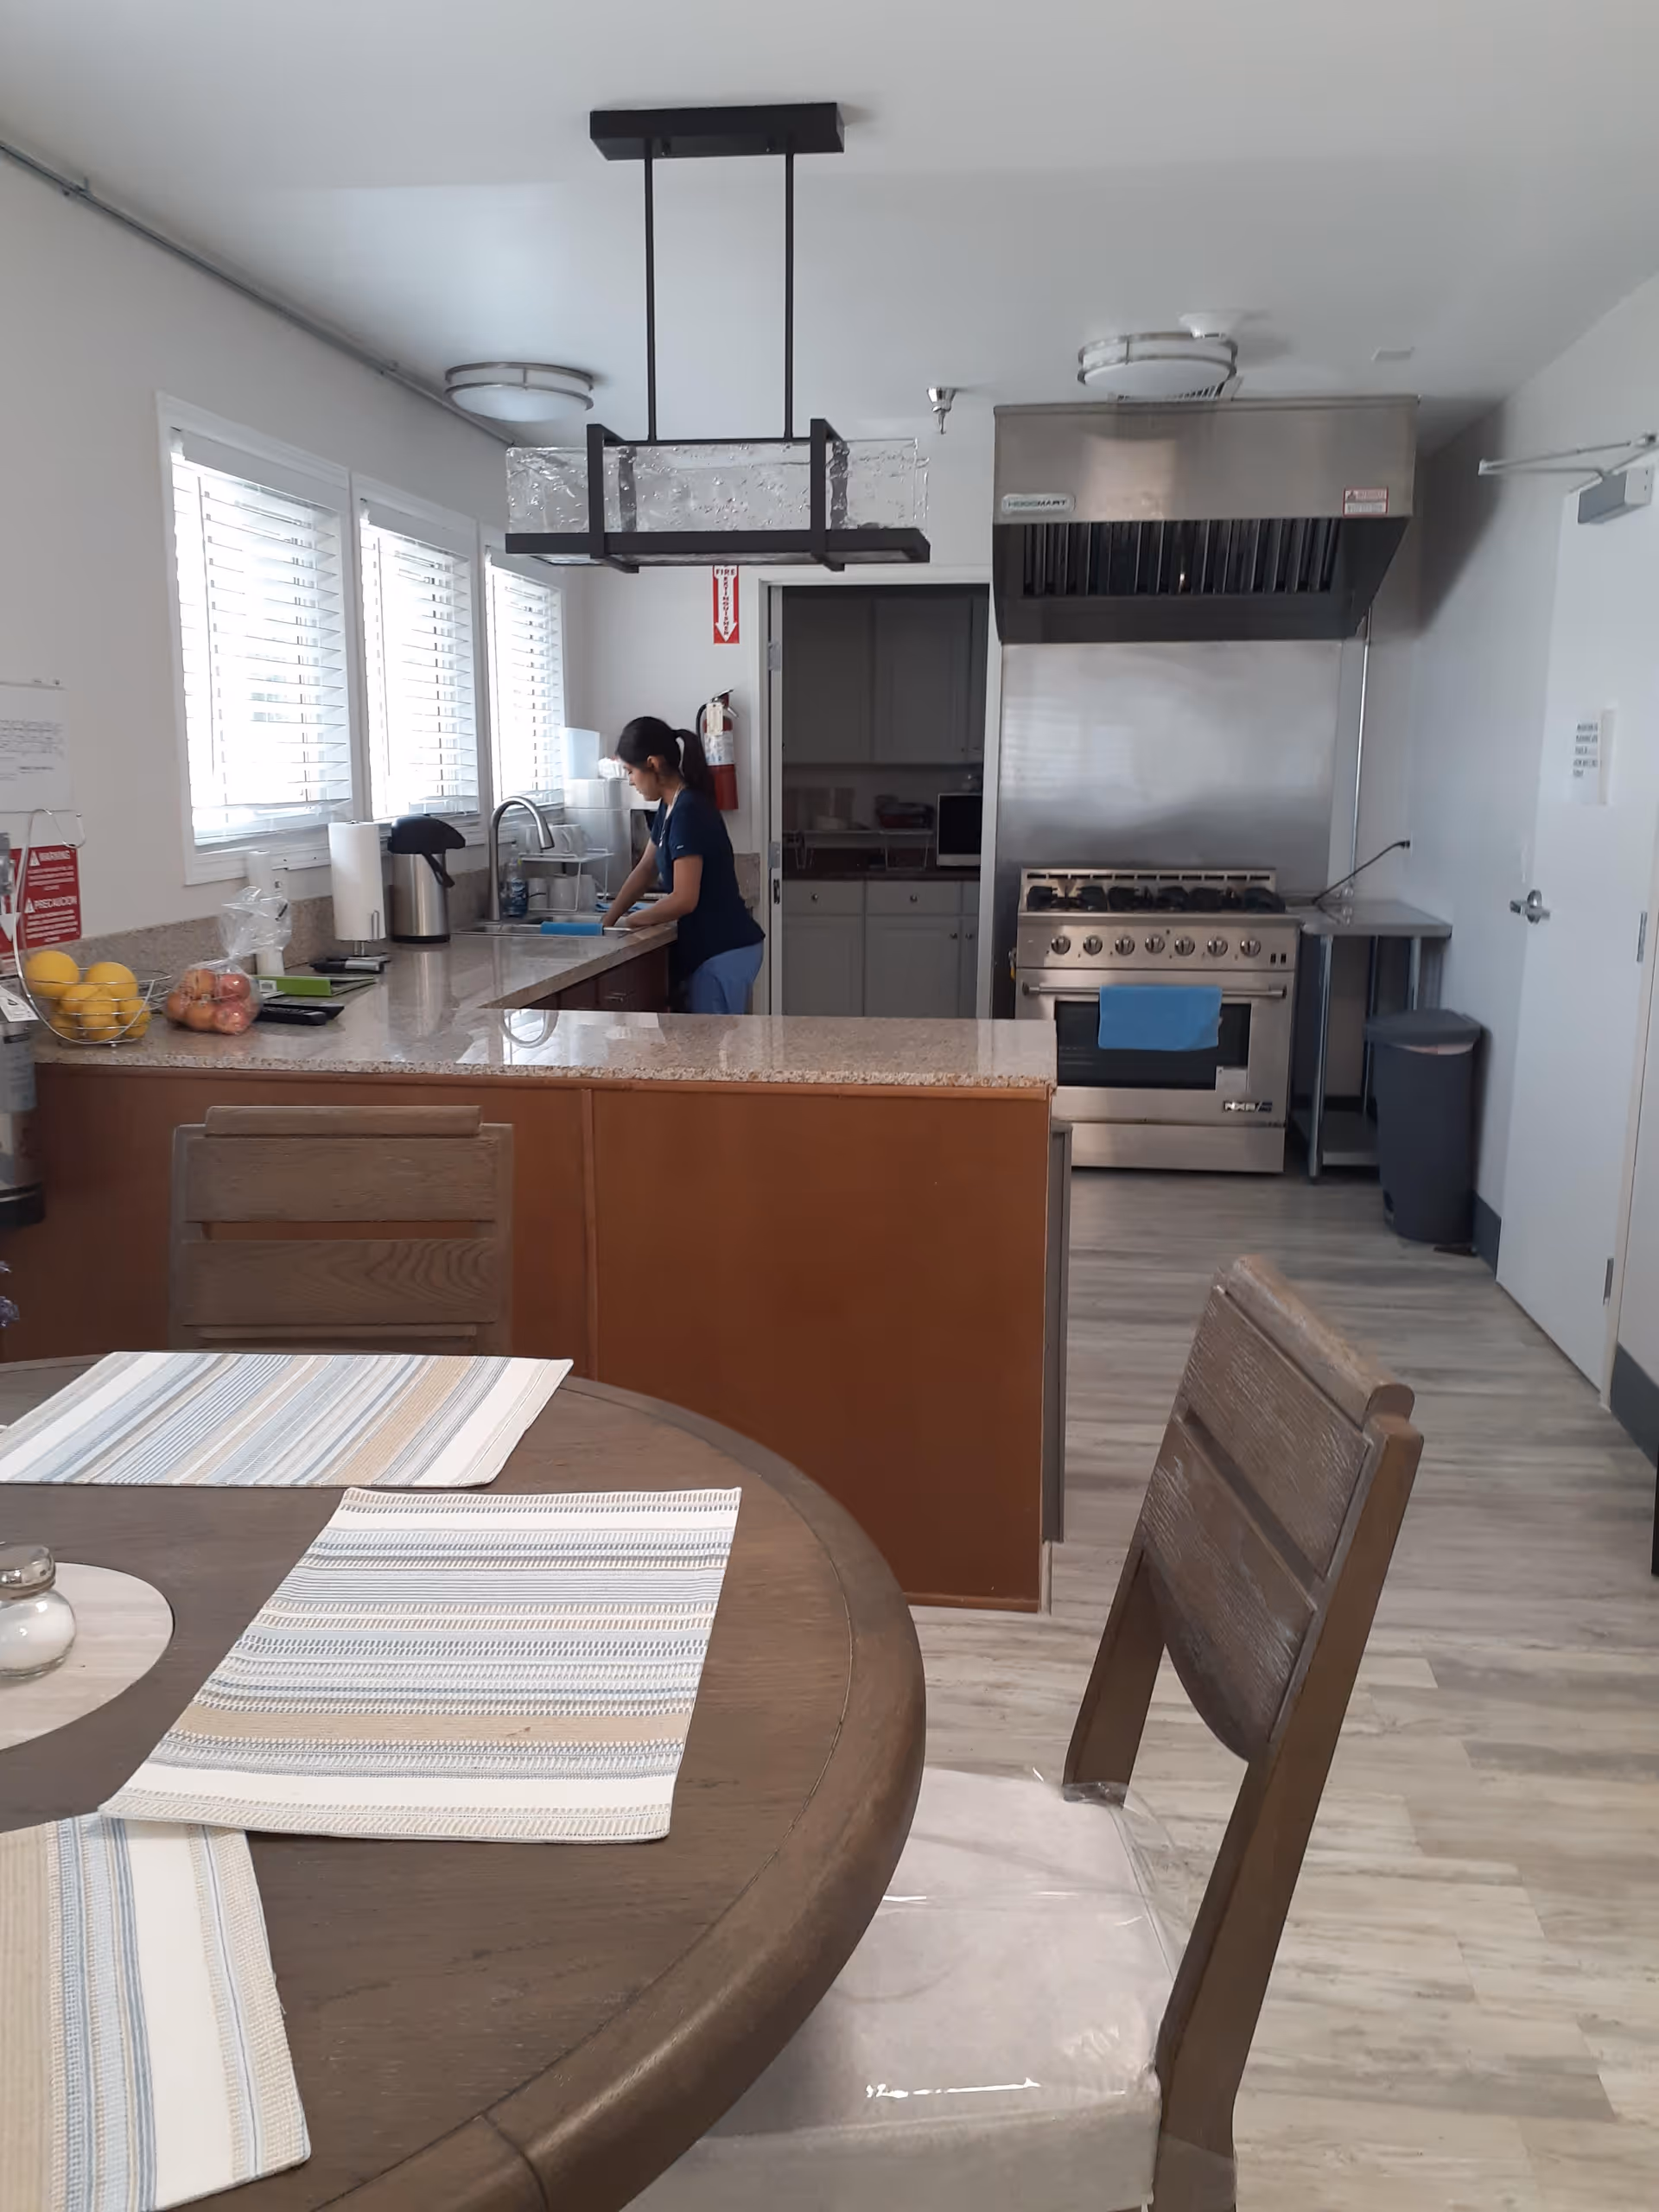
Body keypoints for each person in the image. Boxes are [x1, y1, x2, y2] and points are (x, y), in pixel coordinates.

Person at [606, 715, 765, 1012]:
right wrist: (608, 922)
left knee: (707, 1055)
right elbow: (645, 869)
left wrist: (632, 922)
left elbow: (684, 899)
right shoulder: (670, 805)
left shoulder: (688, 811)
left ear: (652, 763)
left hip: (723, 951)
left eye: (630, 771)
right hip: (718, 949)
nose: (630, 781)